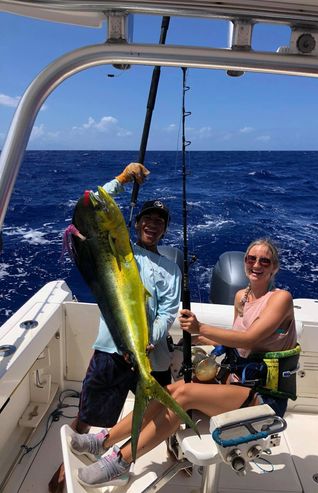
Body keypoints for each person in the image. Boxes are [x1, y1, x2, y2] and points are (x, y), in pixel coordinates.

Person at [69, 238, 298, 489]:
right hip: (237, 384)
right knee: (169, 391)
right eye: (251, 259)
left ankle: (120, 461)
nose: (256, 265)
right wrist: (197, 336)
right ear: (244, 262)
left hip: (265, 398)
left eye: (265, 260)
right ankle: (103, 441)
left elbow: (250, 338)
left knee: (185, 395)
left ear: (274, 267)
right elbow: (238, 343)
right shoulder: (241, 297)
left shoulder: (281, 298)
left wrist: (202, 327)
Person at [48, 163, 182, 493]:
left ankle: (173, 452)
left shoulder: (170, 268)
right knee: (88, 413)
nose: (153, 225)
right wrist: (122, 180)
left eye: (159, 223)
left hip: (152, 356)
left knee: (161, 413)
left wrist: (149, 339)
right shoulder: (118, 250)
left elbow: (168, 311)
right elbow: (92, 204)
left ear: (164, 232)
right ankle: (68, 466)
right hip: (111, 348)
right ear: (134, 224)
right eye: (148, 219)